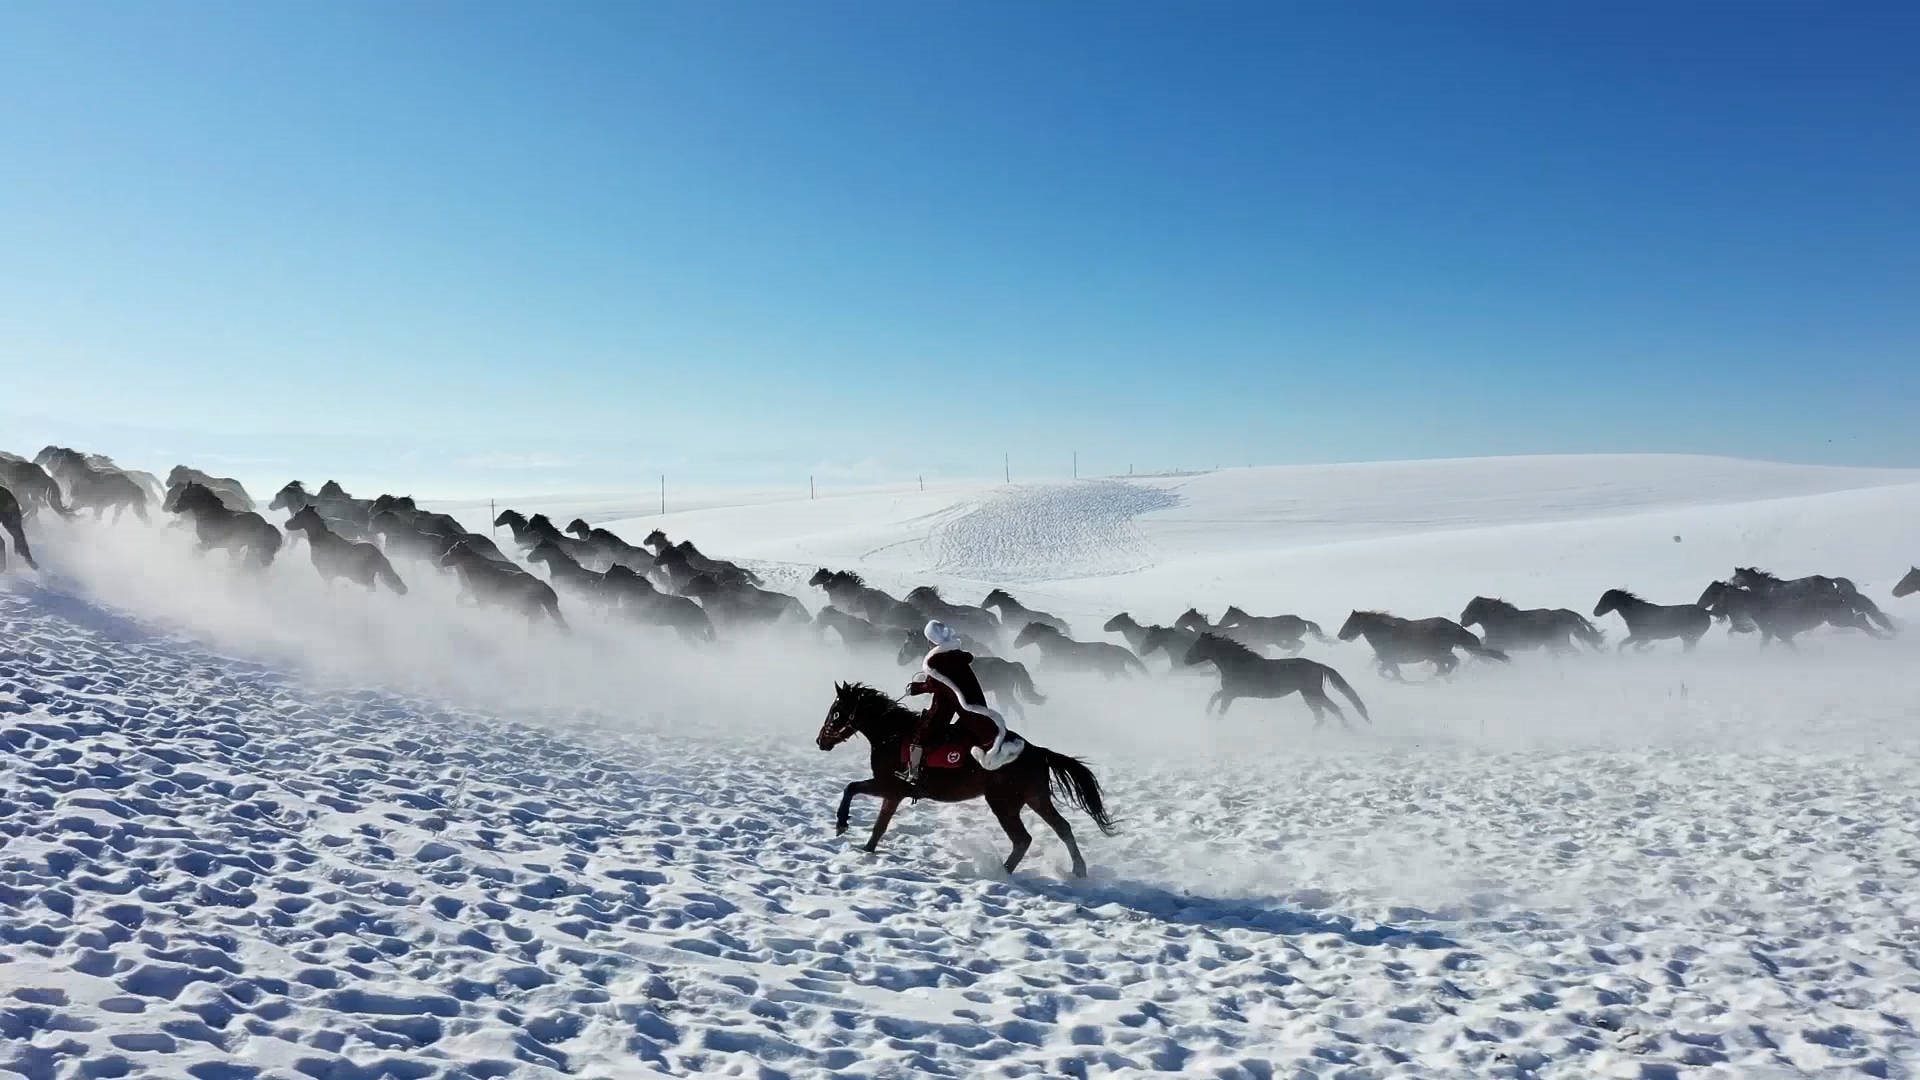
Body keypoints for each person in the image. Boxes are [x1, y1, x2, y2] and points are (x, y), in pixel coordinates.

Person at [901, 620, 1024, 785]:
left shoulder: (939, 660)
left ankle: (913, 773)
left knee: (921, 735)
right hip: (955, 704)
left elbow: (935, 684)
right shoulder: (954, 655)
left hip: (957, 706)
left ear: (932, 640)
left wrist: (915, 688)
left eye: (929, 640)